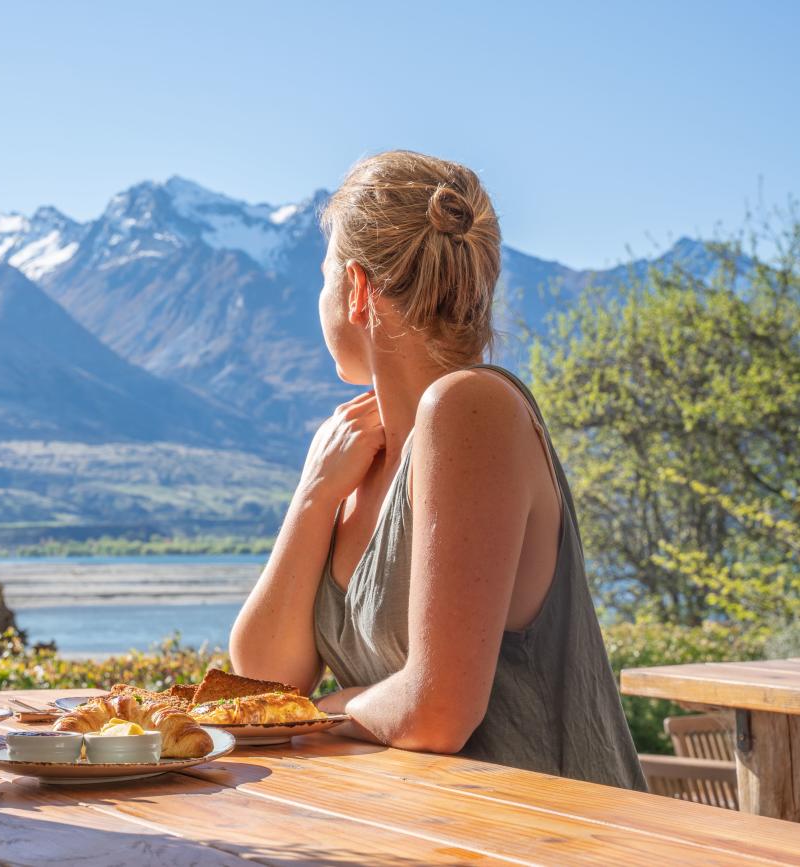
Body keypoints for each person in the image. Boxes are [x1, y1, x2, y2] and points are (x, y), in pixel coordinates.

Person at [229, 150, 645, 790]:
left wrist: (327, 710)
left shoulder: (470, 409)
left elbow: (438, 712)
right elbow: (261, 685)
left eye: (323, 276)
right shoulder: (359, 459)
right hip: (417, 833)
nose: (319, 299)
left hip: (550, 842)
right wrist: (313, 496)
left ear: (359, 290)